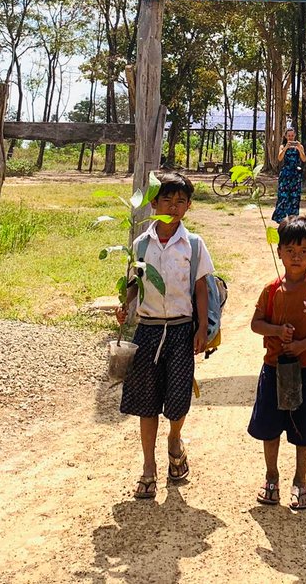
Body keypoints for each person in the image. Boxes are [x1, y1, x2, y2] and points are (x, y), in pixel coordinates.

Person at [115, 172, 214, 500]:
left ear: (188, 205)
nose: (173, 206)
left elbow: (200, 287)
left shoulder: (194, 245)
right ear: (153, 203)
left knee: (177, 399)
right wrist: (124, 304)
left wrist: (201, 328)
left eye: (180, 201)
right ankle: (148, 469)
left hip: (182, 331)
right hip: (148, 331)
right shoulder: (141, 244)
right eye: (166, 200)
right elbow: (135, 283)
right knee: (146, 403)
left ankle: (174, 438)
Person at [248, 215, 306, 511]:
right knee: (270, 427)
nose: (296, 257)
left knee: (304, 429)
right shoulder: (272, 289)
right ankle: (271, 477)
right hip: (274, 368)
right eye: (290, 251)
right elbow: (255, 324)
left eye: (304, 252)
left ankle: (300, 481)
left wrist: (301, 345)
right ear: (279, 252)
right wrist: (276, 330)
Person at [272, 127, 306, 222]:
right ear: (286, 136)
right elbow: (279, 158)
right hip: (285, 174)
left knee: (295, 197)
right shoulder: (282, 146)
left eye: (292, 135)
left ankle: (293, 220)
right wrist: (285, 148)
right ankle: (281, 220)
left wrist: (299, 149)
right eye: (289, 136)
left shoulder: (300, 146)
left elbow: (304, 159)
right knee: (283, 197)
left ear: (295, 135)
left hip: (295, 174)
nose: (291, 138)